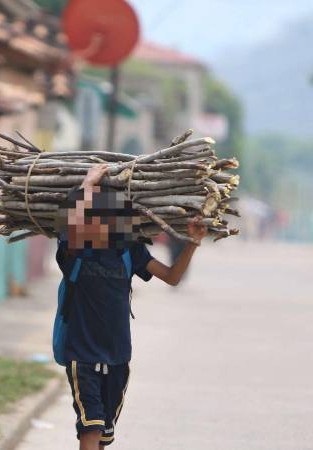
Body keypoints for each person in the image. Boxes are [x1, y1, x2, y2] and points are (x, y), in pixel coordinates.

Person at [55, 164, 208, 450]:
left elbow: (172, 277)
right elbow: (73, 220)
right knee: (90, 427)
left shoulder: (128, 251)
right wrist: (88, 184)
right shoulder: (73, 251)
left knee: (102, 436)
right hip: (82, 356)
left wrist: (193, 243)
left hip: (118, 358)